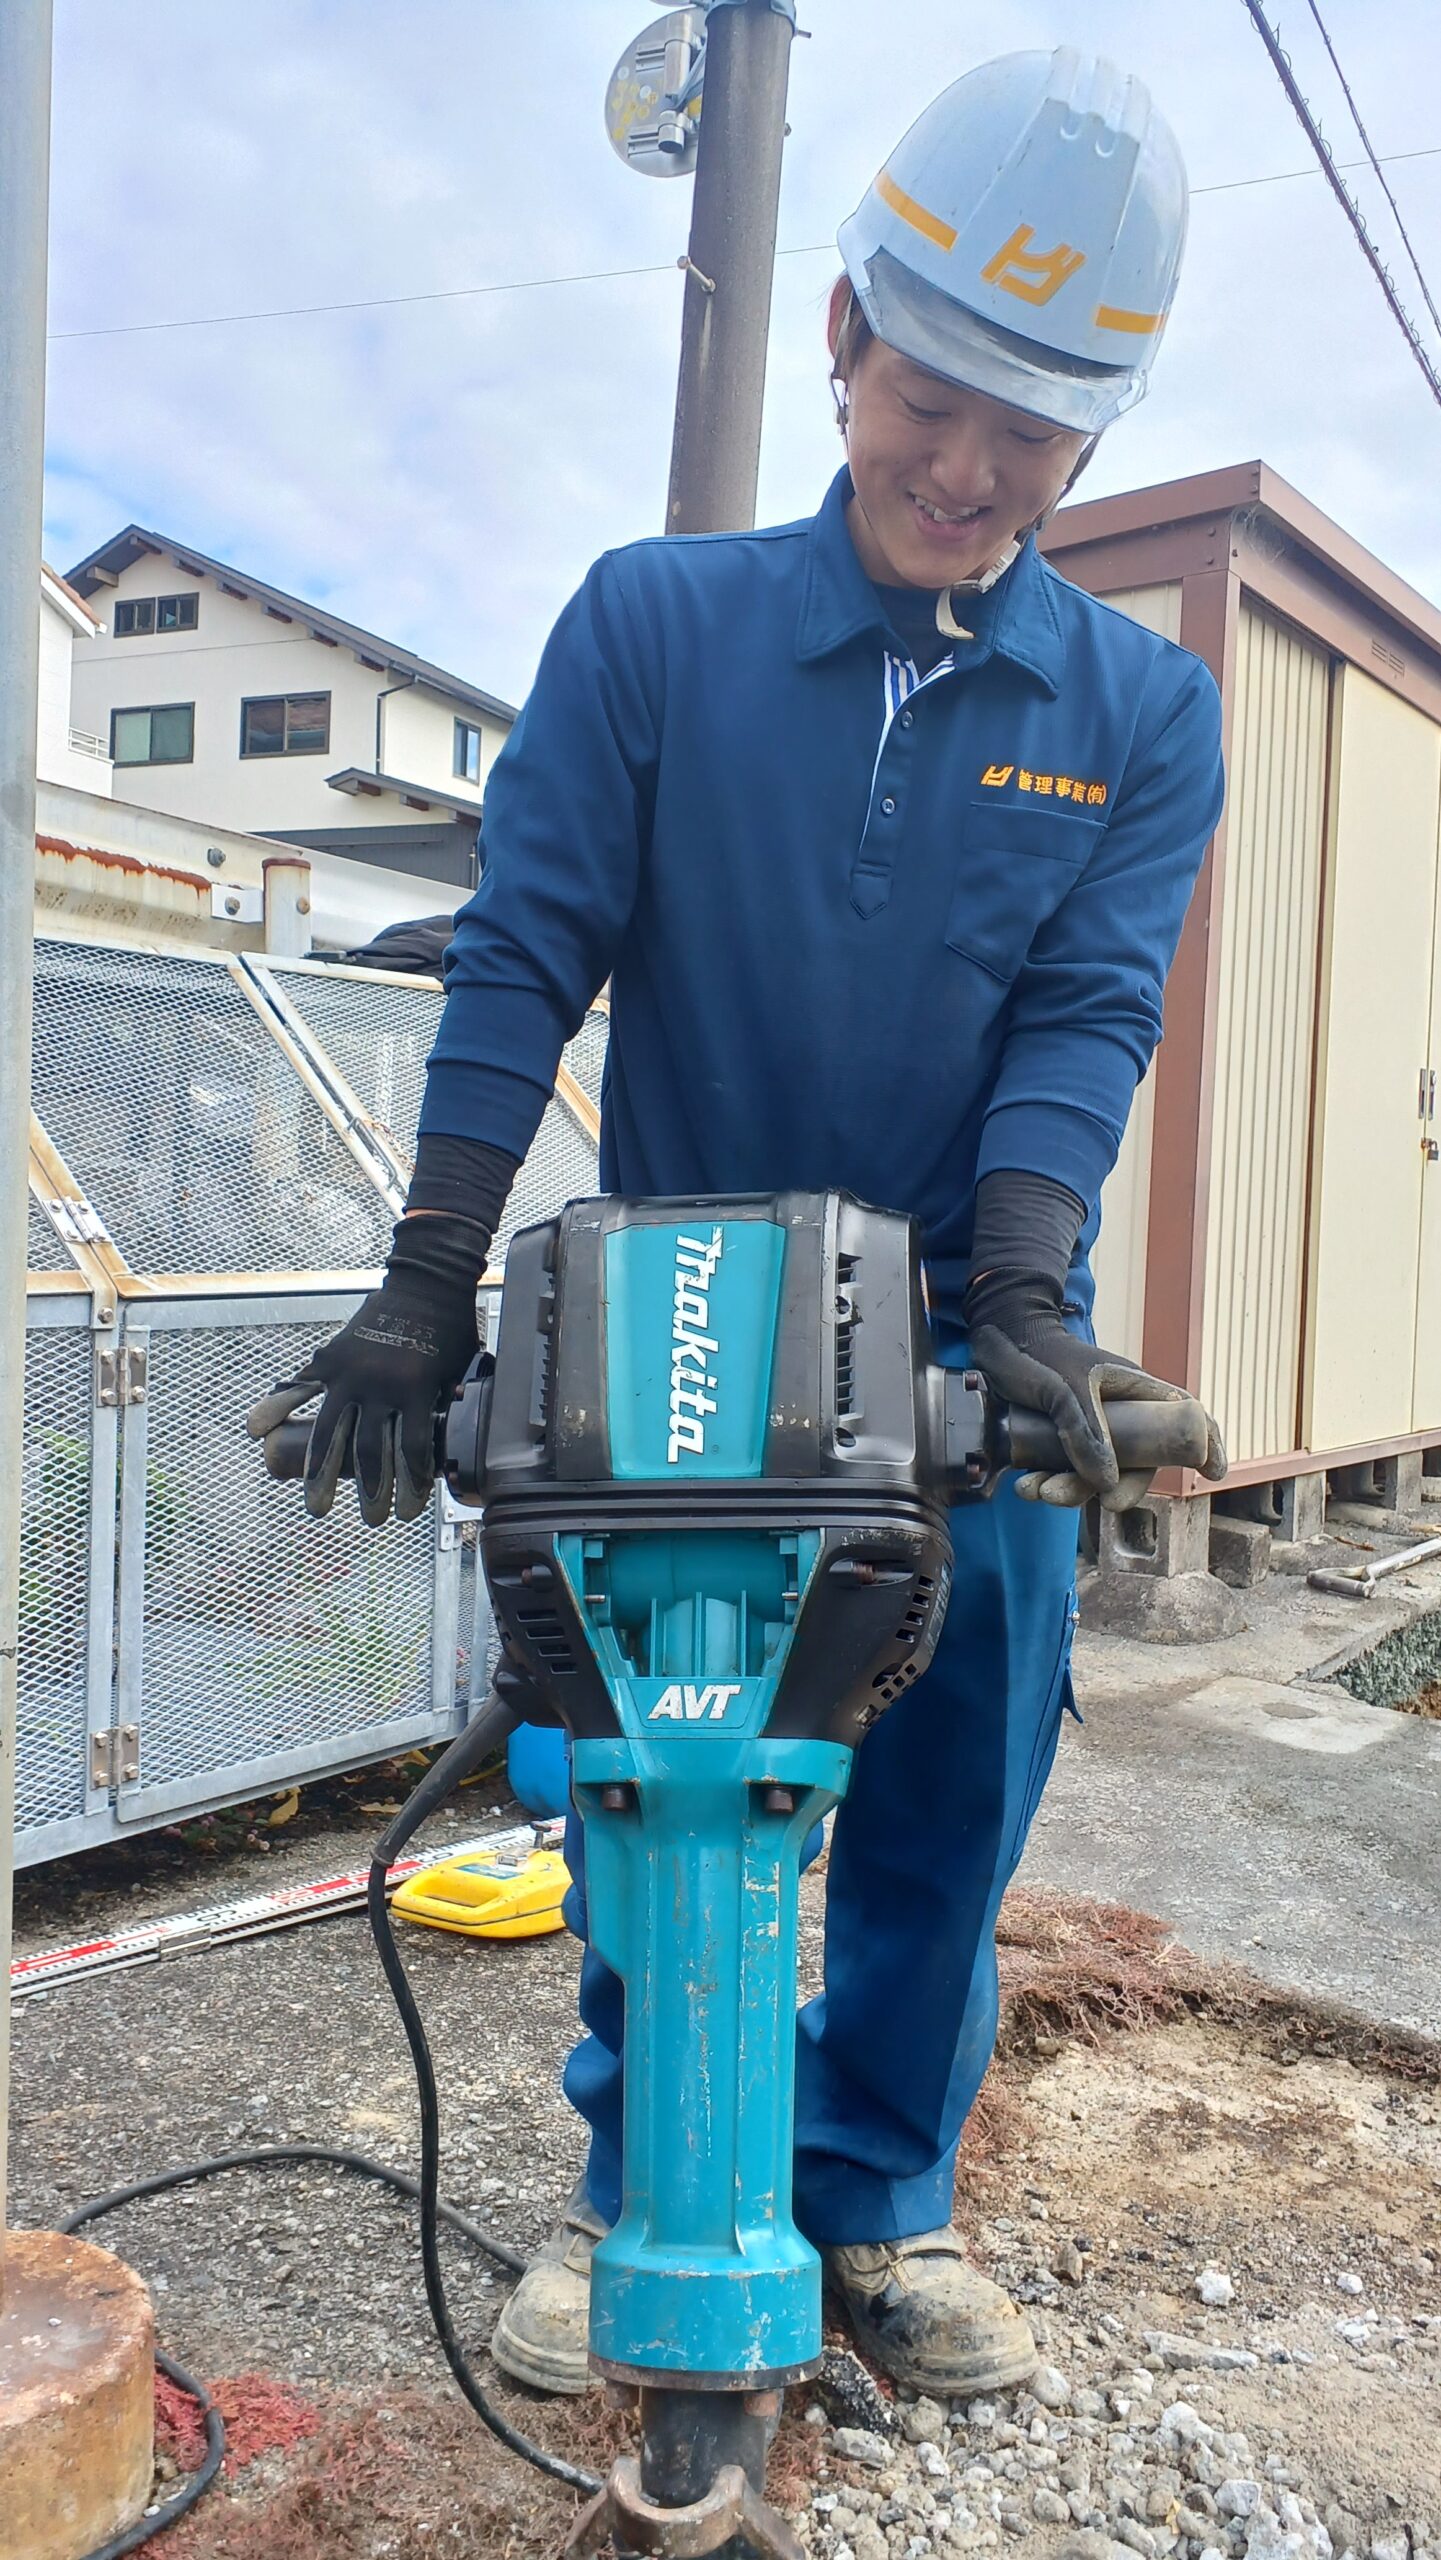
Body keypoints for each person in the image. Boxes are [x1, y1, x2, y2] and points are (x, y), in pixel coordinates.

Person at [251, 47, 1226, 2402]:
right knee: (655, 1769)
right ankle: (639, 2183)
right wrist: (426, 1281)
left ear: (1091, 436)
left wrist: (1022, 1291)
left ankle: (875, 2193)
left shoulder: (1137, 709)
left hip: (965, 1325)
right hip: (678, 1318)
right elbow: (525, 949)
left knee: (948, 1785)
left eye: (1034, 435)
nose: (969, 472)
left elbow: (1084, 1010)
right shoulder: (655, 625)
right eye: (934, 400)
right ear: (845, 336)